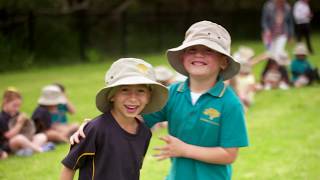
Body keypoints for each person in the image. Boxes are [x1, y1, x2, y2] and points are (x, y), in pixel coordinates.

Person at [71, 21, 249, 180]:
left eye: (208, 50)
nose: (199, 55)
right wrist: (94, 126)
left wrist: (185, 150)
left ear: (224, 62)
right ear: (182, 57)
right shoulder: (172, 93)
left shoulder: (229, 103)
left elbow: (229, 154)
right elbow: (131, 119)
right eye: (192, 49)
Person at [60, 58, 168, 180]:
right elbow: (69, 167)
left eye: (140, 91)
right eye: (125, 90)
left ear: (148, 97)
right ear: (112, 96)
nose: (133, 98)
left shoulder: (145, 132)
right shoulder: (95, 129)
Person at [0, 87, 54, 156]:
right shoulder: (2, 117)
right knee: (19, 138)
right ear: (5, 102)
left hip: (24, 140)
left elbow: (30, 131)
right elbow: (8, 136)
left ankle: (27, 151)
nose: (17, 109)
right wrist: (19, 123)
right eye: (14, 106)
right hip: (9, 143)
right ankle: (40, 150)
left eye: (19, 106)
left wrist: (27, 123)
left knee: (42, 136)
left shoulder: (17, 114)